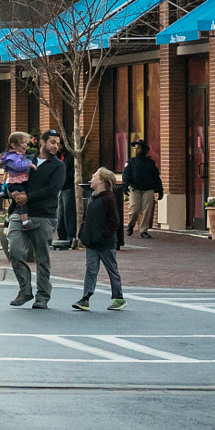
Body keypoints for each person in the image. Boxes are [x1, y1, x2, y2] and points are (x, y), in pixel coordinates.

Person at [4, 131, 64, 310]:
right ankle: (25, 290)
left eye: (58, 143)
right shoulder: (24, 159)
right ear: (42, 143)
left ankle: (43, 296)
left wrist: (28, 197)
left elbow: (53, 190)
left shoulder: (58, 166)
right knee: (14, 250)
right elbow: (11, 178)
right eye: (52, 142)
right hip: (19, 211)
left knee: (42, 257)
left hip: (44, 215)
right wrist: (13, 193)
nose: (55, 146)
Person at [72, 167, 126, 311]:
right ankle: (85, 298)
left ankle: (118, 297)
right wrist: (82, 233)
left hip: (105, 243)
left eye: (95, 176)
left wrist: (103, 235)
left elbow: (114, 221)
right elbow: (86, 218)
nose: (92, 178)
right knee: (90, 270)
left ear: (102, 180)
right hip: (91, 242)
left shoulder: (108, 198)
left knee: (111, 269)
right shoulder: (92, 197)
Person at [41, 131, 76, 245]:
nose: (57, 147)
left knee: (68, 212)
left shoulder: (70, 157)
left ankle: (71, 236)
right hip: (59, 189)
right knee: (60, 212)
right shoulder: (55, 157)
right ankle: (62, 235)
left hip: (67, 187)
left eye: (58, 144)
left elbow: (72, 173)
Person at [122, 140, 162, 238]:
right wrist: (125, 185)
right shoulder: (131, 162)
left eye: (138, 148)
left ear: (143, 149)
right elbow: (126, 174)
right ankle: (131, 224)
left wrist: (159, 189)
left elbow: (156, 176)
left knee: (146, 210)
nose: (136, 150)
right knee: (135, 208)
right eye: (135, 148)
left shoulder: (150, 163)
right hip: (135, 188)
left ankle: (143, 231)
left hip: (148, 188)